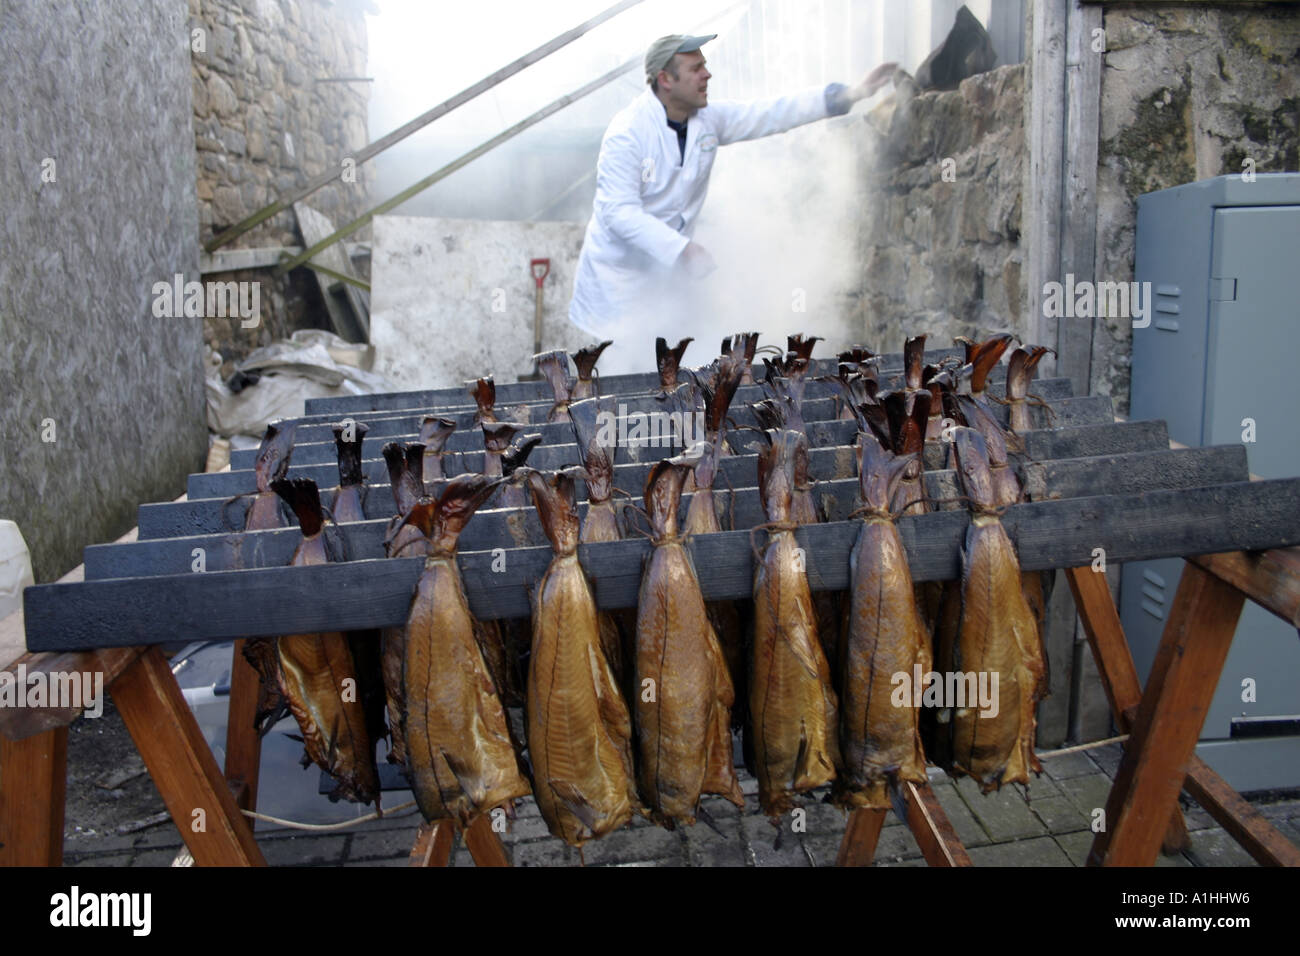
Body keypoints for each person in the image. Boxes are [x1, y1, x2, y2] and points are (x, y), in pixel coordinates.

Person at [567, 33, 895, 361]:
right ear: (666, 79)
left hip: (663, 283)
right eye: (696, 68)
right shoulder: (627, 133)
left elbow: (770, 114)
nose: (707, 74)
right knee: (623, 378)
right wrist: (681, 249)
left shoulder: (708, 119)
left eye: (705, 66)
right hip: (617, 286)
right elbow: (619, 213)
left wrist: (847, 96)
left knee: (672, 373)